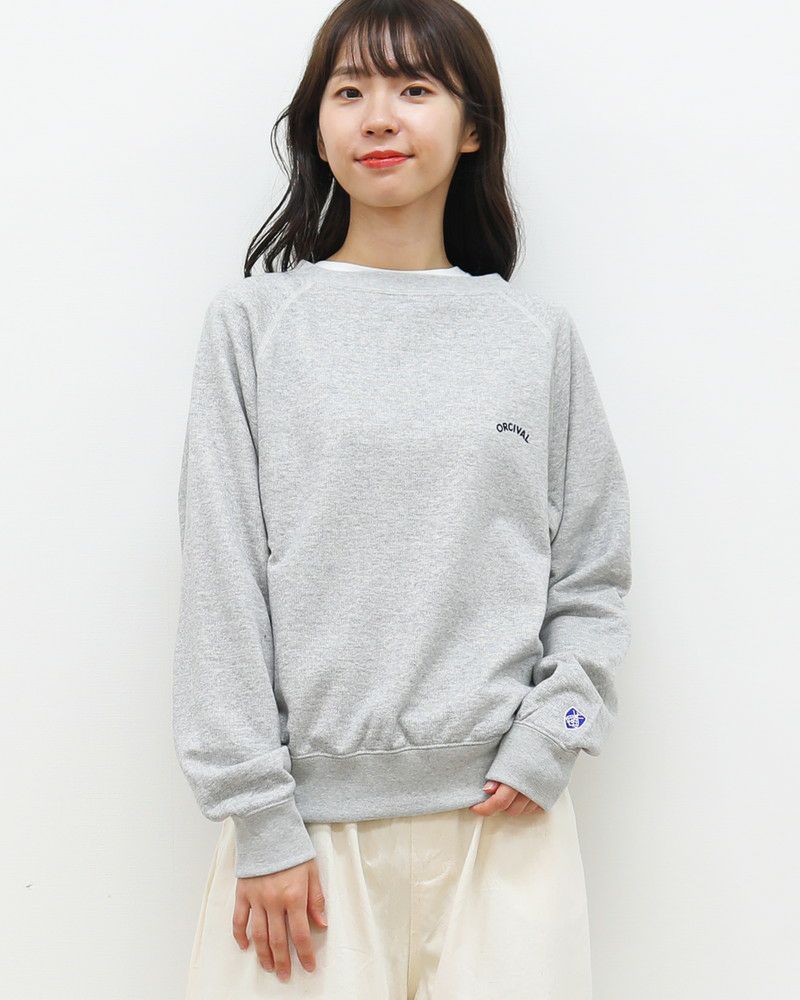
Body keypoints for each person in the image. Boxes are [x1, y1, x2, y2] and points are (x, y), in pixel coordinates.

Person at [172, 1, 633, 997]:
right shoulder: (254, 327)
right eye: (349, 91)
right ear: (316, 128)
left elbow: (592, 574)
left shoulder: (534, 338)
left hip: (505, 826)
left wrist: (552, 736)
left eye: (414, 88)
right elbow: (221, 577)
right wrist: (260, 817)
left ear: (471, 127)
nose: (378, 116)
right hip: (304, 836)